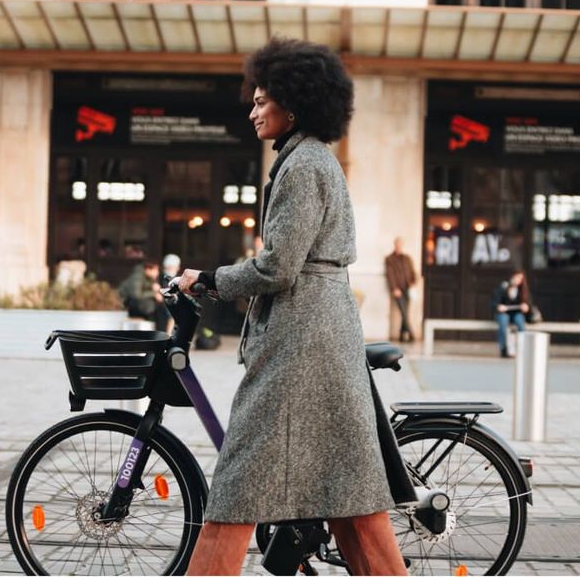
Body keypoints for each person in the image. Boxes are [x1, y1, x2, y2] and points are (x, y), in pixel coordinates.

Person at [174, 37, 411, 575]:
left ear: (294, 103)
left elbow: (278, 266)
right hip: (316, 335)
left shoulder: (304, 165)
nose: (253, 110)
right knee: (349, 495)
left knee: (238, 484)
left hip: (302, 343)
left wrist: (209, 279)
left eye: (262, 101)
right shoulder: (308, 159)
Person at [117, 261, 168, 329]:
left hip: (138, 303)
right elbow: (136, 295)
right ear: (148, 269)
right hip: (128, 303)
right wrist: (154, 294)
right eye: (155, 270)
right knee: (156, 310)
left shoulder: (149, 277)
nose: (157, 272)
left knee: (160, 309)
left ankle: (159, 333)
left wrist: (153, 287)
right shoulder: (137, 276)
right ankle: (158, 333)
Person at [385, 237, 417, 342]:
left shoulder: (407, 258)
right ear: (395, 245)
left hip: (407, 288)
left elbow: (412, 271)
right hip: (397, 289)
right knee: (403, 311)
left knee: (405, 311)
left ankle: (401, 335)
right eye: (397, 244)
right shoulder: (389, 259)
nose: (399, 246)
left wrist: (413, 282)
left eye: (400, 244)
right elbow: (390, 275)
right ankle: (411, 334)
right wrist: (394, 288)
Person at [491, 271, 530, 359]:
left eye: (520, 279)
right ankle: (504, 348)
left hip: (516, 313)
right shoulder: (503, 287)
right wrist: (498, 307)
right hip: (503, 313)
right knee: (503, 322)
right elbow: (493, 303)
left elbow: (528, 304)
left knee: (520, 323)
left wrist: (526, 307)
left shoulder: (522, 290)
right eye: (516, 277)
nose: (517, 280)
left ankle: (522, 348)